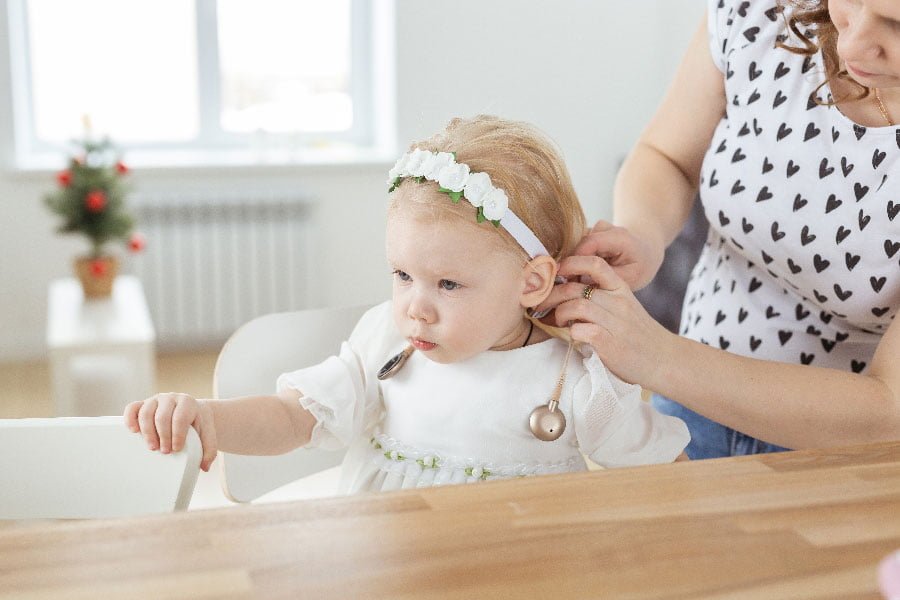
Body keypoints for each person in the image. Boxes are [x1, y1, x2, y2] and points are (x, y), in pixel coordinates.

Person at [125, 116, 689, 493]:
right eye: (403, 276)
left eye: (448, 285)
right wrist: (209, 419)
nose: (416, 308)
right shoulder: (387, 343)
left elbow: (668, 479)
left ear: (532, 282)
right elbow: (293, 418)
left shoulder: (577, 380)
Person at [534, 0, 900, 459]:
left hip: (842, 452)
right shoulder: (757, 14)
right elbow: (666, 156)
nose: (854, 41)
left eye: (896, 24)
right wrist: (642, 235)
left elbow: (889, 410)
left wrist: (657, 356)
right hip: (686, 408)